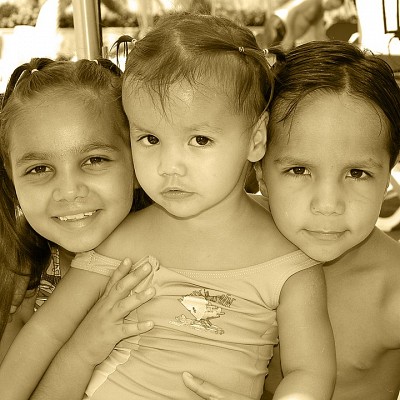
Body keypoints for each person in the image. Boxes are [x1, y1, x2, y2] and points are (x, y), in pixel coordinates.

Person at [1, 12, 336, 400]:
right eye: (150, 139)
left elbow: (308, 371)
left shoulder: (291, 261)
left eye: (199, 140)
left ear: (256, 138)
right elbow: (46, 331)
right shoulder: (120, 241)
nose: (169, 166)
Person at [182, 40, 400, 400]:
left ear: (389, 174)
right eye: (299, 170)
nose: (328, 205)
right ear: (260, 171)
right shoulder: (216, 244)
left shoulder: (392, 291)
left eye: (357, 173)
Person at [0, 57, 155, 397]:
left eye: (94, 160)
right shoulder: (22, 278)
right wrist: (83, 348)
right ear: (12, 179)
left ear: (136, 163)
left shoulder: (181, 256)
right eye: (39, 169)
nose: (69, 191)